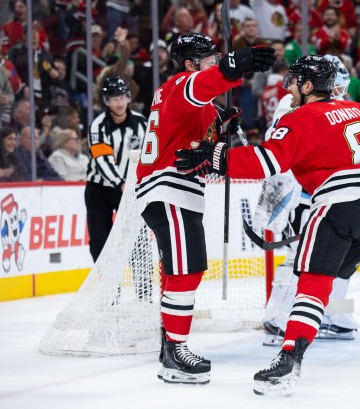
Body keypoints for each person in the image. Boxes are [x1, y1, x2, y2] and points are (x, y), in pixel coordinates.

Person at [174, 55, 360, 396]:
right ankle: (316, 326)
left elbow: (267, 161)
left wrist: (216, 156)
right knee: (325, 281)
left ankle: (287, 360)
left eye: (294, 82)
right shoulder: (358, 110)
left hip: (336, 208)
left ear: (309, 86)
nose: (289, 88)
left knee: (310, 284)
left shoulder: (301, 116)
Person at [136, 33, 275, 385]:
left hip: (176, 191)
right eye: (208, 57)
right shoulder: (180, 84)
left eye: (217, 57)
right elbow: (205, 83)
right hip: (168, 190)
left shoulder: (193, 100)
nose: (214, 61)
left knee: (183, 270)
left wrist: (219, 125)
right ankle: (174, 353)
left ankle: (171, 345)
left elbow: (197, 146)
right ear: (189, 64)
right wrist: (234, 64)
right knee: (187, 272)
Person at [259, 54, 360, 347]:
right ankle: (281, 319)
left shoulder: (326, 105)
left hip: (317, 194)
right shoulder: (294, 106)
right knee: (300, 257)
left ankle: (321, 315)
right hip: (299, 195)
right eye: (336, 86)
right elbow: (281, 152)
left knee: (330, 256)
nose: (339, 92)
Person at [85, 76, 147, 262]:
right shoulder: (97, 127)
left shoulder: (141, 123)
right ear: (106, 101)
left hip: (129, 190)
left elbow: (149, 155)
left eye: (122, 97)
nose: (119, 103)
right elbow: (102, 161)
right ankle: (111, 290)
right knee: (99, 242)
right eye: (114, 98)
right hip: (100, 190)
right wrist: (121, 183)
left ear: (128, 98)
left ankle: (143, 290)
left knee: (139, 239)